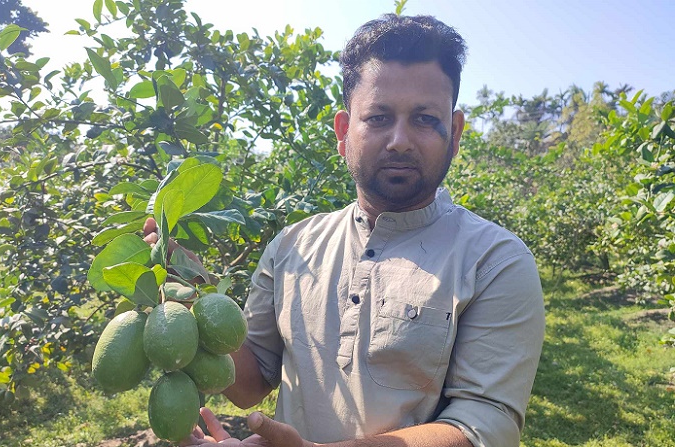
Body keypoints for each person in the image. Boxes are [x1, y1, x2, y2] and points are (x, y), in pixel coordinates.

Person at [146, 13, 545, 447]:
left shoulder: (495, 261)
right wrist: (189, 289)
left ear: (454, 132)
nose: (399, 140)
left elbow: (485, 426)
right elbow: (248, 385)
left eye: (425, 119)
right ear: (343, 131)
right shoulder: (292, 247)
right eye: (378, 117)